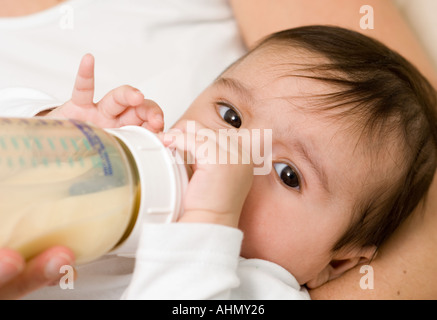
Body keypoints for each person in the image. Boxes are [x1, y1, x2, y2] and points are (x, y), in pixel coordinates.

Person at [1, 0, 436, 300]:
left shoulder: (260, 291)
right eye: (230, 116)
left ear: (337, 263)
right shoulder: (123, 187)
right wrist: (55, 132)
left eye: (289, 174)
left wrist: (208, 223)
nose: (232, 155)